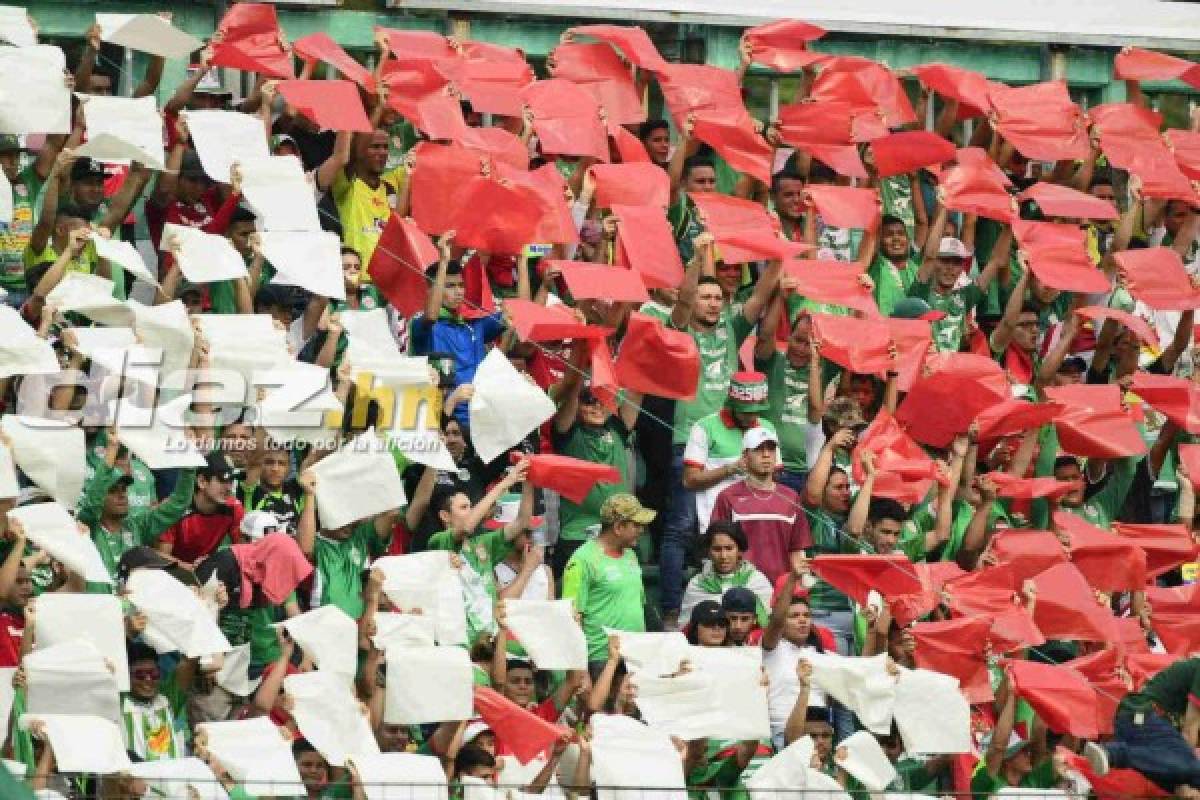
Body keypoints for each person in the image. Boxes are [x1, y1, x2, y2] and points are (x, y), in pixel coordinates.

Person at [562, 493, 654, 675]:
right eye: (636, 525)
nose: (641, 530)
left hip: (635, 656)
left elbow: (640, 605)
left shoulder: (631, 556)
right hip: (600, 658)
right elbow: (572, 616)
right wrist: (581, 672)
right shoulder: (582, 559)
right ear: (619, 527)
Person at [710, 427, 812, 586]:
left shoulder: (791, 497)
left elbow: (797, 550)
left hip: (781, 590)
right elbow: (717, 548)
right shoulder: (727, 497)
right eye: (758, 449)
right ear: (745, 456)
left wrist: (801, 587)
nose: (766, 455)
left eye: (771, 449)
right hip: (741, 590)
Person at [157, 452, 245, 568]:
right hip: (171, 573)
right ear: (202, 481)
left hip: (206, 571)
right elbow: (161, 558)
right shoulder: (174, 508)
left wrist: (214, 563)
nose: (228, 488)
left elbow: (243, 554)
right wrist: (190, 567)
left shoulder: (234, 508)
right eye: (222, 480)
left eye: (231, 481)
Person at [680, 522, 772, 629]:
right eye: (717, 549)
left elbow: (769, 625)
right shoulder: (697, 584)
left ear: (739, 551)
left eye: (729, 548)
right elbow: (686, 627)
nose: (723, 556)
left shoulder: (756, 581)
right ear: (708, 552)